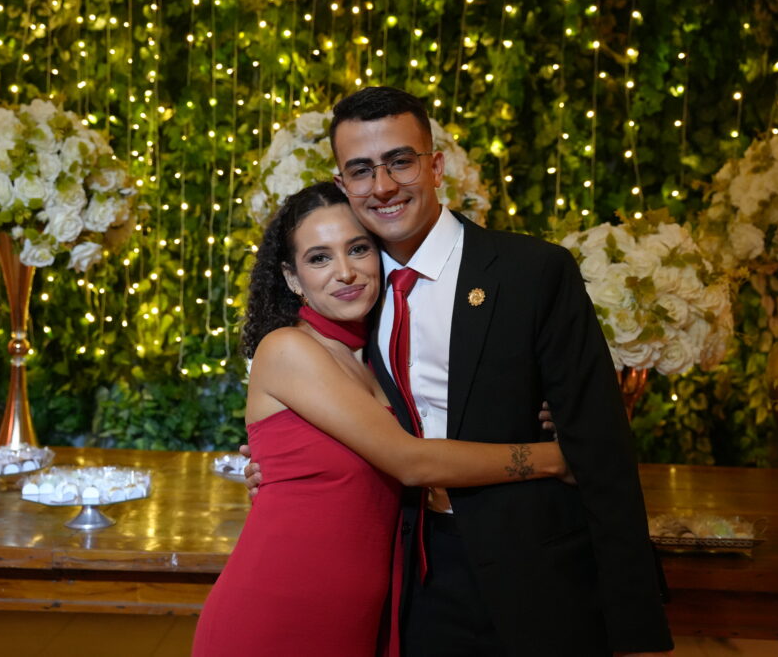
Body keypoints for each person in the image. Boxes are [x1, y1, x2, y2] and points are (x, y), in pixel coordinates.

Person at [246, 87, 673, 656]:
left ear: (436, 166)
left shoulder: (532, 272)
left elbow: (602, 449)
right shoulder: (356, 294)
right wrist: (275, 467)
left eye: (400, 161)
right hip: (413, 578)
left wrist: (634, 623)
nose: (383, 186)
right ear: (343, 183)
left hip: (536, 576)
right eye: (362, 170)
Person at [192, 182, 574, 657]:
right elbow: (411, 461)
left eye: (358, 249)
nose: (345, 272)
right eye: (319, 258)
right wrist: (556, 459)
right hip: (277, 611)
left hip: (357, 617)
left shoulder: (377, 358)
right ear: (292, 278)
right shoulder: (287, 348)